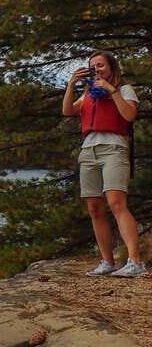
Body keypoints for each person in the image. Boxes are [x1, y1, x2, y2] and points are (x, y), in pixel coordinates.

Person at [62, 50, 146, 277]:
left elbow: (129, 115)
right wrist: (71, 84)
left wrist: (112, 91)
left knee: (117, 204)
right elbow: (68, 111)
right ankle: (107, 261)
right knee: (94, 208)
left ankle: (135, 262)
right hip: (88, 150)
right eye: (93, 66)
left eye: (100, 65)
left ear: (111, 67)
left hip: (114, 148)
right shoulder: (89, 93)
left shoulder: (124, 89)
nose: (96, 69)